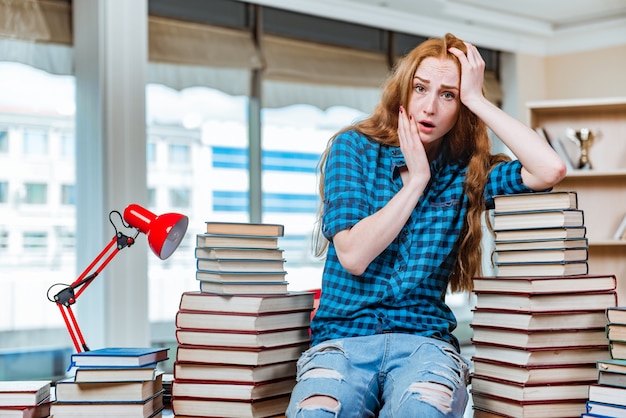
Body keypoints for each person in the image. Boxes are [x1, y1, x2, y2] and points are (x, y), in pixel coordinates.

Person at [286, 33, 566, 418]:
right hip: (343, 343)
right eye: (421, 88)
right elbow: (352, 254)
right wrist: (416, 181)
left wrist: (478, 99)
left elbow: (549, 169)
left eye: (448, 95)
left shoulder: (465, 172)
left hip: (423, 345)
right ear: (404, 92)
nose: (429, 106)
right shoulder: (353, 148)